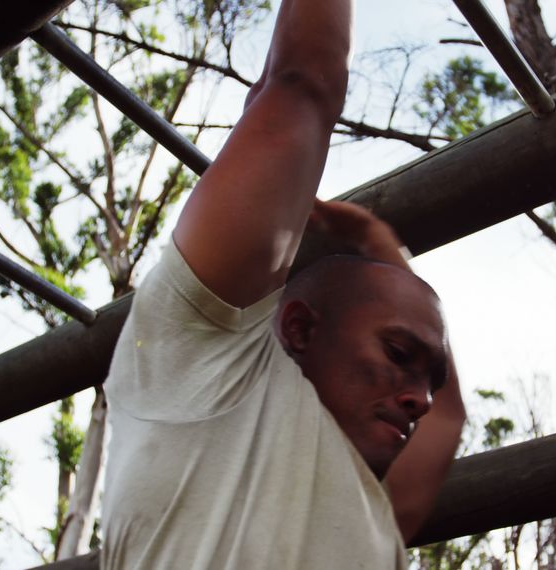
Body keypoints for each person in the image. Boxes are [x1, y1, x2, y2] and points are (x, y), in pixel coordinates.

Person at [99, 0, 466, 567]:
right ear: (297, 327)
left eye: (429, 378)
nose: (420, 399)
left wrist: (379, 242)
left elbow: (448, 417)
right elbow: (303, 82)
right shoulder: (207, 373)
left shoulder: (379, 509)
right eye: (398, 353)